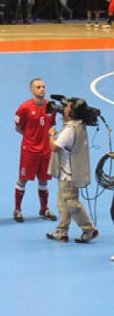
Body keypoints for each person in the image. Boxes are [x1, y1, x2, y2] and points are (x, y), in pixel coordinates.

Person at [46, 98, 98, 243]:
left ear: (73, 111)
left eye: (67, 107)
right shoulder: (78, 125)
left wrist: (51, 135)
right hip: (68, 172)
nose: (64, 109)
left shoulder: (69, 130)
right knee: (63, 203)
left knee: (71, 203)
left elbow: (55, 147)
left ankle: (88, 229)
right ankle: (62, 231)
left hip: (68, 173)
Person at [13, 78, 57, 223]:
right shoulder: (24, 108)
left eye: (44, 86)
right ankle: (17, 209)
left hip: (46, 151)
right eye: (38, 87)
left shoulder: (51, 107)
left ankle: (44, 208)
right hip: (30, 151)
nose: (42, 89)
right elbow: (18, 127)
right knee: (23, 179)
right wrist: (31, 138)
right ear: (31, 90)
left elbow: (52, 127)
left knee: (44, 180)